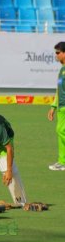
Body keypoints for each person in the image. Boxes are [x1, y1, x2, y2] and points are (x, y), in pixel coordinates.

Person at [47, 42, 65, 171]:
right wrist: (53, 107)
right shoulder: (62, 70)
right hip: (61, 108)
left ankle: (63, 161)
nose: (56, 55)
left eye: (58, 53)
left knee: (61, 131)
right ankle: (62, 161)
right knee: (60, 131)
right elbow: (59, 90)